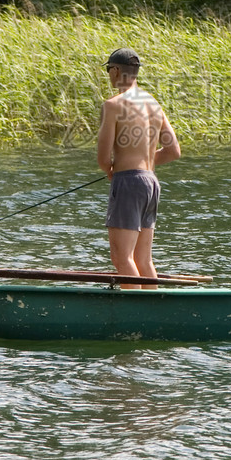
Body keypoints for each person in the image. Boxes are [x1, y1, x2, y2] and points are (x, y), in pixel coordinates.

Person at [97, 48, 181, 287]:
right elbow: (173, 151)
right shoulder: (153, 103)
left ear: (115, 71)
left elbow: (103, 158)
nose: (108, 75)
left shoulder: (113, 105)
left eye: (108, 70)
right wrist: (143, 166)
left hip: (129, 183)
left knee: (122, 258)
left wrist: (111, 171)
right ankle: (153, 310)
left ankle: (135, 313)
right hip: (151, 182)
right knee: (143, 259)